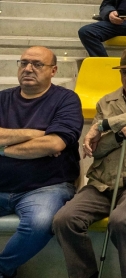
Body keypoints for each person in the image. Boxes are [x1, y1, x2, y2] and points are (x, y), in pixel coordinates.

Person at [53, 48, 126, 278]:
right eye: (125, 72)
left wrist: (104, 126)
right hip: (102, 182)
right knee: (64, 220)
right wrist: (119, 134)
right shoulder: (106, 101)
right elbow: (97, 150)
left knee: (122, 220)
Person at [0, 47, 82, 278]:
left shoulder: (66, 99)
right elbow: (45, 141)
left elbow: (54, 145)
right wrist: (37, 133)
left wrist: (3, 148)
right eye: (24, 62)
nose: (28, 68)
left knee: (41, 223)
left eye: (37, 64)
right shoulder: (2, 98)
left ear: (53, 70)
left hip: (46, 187)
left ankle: (3, 269)